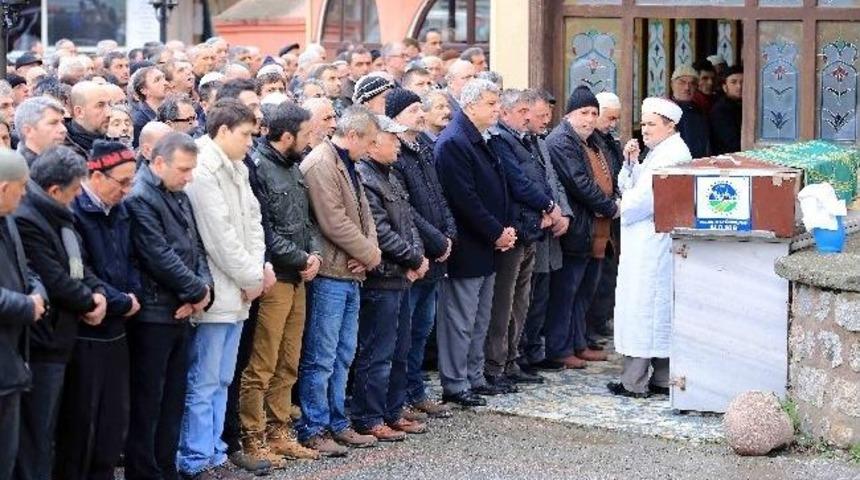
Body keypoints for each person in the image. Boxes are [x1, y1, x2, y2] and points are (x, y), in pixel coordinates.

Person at [177, 98, 271, 479]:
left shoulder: (235, 165)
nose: (251, 142)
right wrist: (252, 276)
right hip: (217, 289)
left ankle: (214, 451)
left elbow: (253, 220)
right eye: (246, 134)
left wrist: (258, 269)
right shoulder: (202, 167)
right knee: (203, 380)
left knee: (223, 378)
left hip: (240, 287)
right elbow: (218, 236)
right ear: (223, 131)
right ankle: (196, 457)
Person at [14, 145, 107, 480]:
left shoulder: (60, 215)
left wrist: (97, 293)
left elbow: (80, 265)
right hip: (45, 342)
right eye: (72, 191)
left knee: (61, 425)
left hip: (66, 335)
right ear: (54, 191)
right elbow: (53, 279)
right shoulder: (27, 219)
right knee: (38, 433)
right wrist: (90, 301)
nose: (77, 197)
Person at [124, 133, 213, 480]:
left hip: (180, 308)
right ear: (158, 163)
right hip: (153, 313)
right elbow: (157, 254)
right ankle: (145, 471)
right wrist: (196, 291)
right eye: (183, 169)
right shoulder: (140, 196)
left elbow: (195, 245)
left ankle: (165, 468)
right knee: (149, 400)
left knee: (174, 398)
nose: (189, 177)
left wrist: (203, 291)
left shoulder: (177, 193)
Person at [238, 102, 321, 467]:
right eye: (305, 135)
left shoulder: (293, 168)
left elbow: (307, 220)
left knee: (289, 360)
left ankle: (280, 430)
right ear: (286, 136)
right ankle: (253, 436)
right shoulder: (261, 169)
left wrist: (313, 254)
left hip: (298, 277)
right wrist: (301, 258)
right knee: (262, 363)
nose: (310, 141)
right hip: (277, 279)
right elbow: (265, 231)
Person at [298, 105, 382, 456]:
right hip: (331, 273)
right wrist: (371, 255)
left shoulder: (347, 163)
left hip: (350, 271)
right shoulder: (321, 164)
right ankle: (315, 426)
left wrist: (368, 253)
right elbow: (332, 221)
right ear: (353, 136)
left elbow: (365, 215)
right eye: (371, 141)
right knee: (322, 355)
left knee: (343, 353)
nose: (372, 148)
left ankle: (337, 422)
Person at [56, 140, 140, 480]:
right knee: (82, 423)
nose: (127, 190)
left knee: (113, 422)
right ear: (97, 175)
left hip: (118, 326)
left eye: (131, 181)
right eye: (121, 182)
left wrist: (132, 294)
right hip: (87, 330)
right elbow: (81, 271)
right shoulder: (75, 212)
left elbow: (134, 258)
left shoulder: (121, 208)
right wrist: (120, 300)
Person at [435, 78, 513, 407]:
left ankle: (475, 376)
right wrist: (496, 231)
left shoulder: (479, 137)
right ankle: (455, 382)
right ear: (469, 105)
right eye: (491, 104)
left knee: (480, 318)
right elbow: (464, 199)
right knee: (460, 319)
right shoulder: (455, 141)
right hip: (469, 243)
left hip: (487, 242)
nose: (497, 109)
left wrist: (501, 230)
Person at [352, 114, 429, 441]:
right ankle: (369, 416)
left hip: (402, 275)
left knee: (400, 349)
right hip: (382, 277)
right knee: (377, 353)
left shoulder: (391, 176)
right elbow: (380, 231)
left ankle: (393, 410)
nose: (398, 144)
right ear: (373, 144)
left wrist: (417, 255)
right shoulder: (366, 178)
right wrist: (413, 257)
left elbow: (409, 222)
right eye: (392, 139)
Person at [608, 97, 692, 398]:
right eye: (643, 124)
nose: (644, 130)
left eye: (651, 124)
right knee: (648, 308)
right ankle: (654, 378)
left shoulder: (672, 154)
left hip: (652, 243)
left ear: (670, 126)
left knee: (645, 310)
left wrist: (618, 207)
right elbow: (635, 183)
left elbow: (643, 199)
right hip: (645, 241)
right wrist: (631, 163)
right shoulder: (661, 151)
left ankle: (636, 381)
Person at [486, 89, 562, 388]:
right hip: (514, 229)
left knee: (521, 302)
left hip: (530, 229)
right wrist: (547, 206)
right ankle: (496, 365)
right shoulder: (501, 140)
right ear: (505, 114)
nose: (528, 116)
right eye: (522, 112)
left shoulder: (524, 140)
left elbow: (539, 178)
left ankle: (511, 360)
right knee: (503, 304)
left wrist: (546, 208)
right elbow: (519, 183)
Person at [386, 89, 455, 418]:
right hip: (416, 254)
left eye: (418, 108)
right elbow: (407, 210)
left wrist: (449, 233)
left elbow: (440, 196)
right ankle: (399, 397)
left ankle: (416, 392)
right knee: (405, 330)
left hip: (436, 255)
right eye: (412, 109)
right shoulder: (394, 155)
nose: (419, 113)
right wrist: (436, 241)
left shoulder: (423, 149)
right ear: (396, 116)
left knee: (422, 328)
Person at [544, 86, 618, 370]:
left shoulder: (592, 141)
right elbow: (579, 182)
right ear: (569, 115)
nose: (589, 118)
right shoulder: (562, 140)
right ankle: (561, 348)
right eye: (583, 113)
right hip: (579, 228)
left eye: (593, 113)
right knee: (567, 292)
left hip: (596, 229)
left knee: (584, 291)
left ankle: (579, 342)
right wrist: (611, 206)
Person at [518, 89, 571, 373]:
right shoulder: (519, 144)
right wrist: (547, 211)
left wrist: (563, 212)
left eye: (549, 115)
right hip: (534, 226)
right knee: (529, 297)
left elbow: (555, 182)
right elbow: (524, 186)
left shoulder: (540, 143)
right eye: (540, 115)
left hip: (552, 228)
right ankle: (523, 354)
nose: (546, 120)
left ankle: (536, 351)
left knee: (543, 296)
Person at [0, 150, 46, 479]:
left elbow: (27, 269)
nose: (25, 193)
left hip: (12, 364)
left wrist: (38, 293)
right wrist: (27, 306)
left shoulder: (8, 218)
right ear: (4, 188)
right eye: (21, 186)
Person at [586, 91, 625, 349]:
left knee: (606, 272)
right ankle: (591, 326)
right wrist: (609, 205)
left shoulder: (608, 140)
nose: (612, 124)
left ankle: (600, 320)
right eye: (609, 118)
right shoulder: (589, 141)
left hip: (610, 214)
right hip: (594, 217)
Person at [669, 65, 709, 159]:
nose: (687, 88)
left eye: (692, 83)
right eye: (682, 82)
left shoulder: (698, 111)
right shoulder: (663, 111)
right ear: (672, 84)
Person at [65, 81, 110, 158]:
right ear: (79, 112)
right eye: (100, 106)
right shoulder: (65, 154)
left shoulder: (112, 142)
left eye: (109, 104)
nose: (109, 113)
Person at [130, 66, 170, 146]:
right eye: (157, 80)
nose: (165, 83)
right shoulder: (139, 120)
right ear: (144, 90)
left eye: (164, 78)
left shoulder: (171, 109)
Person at [709, 65, 743, 155]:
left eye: (743, 82)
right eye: (733, 82)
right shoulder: (720, 110)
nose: (739, 86)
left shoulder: (747, 106)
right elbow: (732, 143)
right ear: (725, 87)